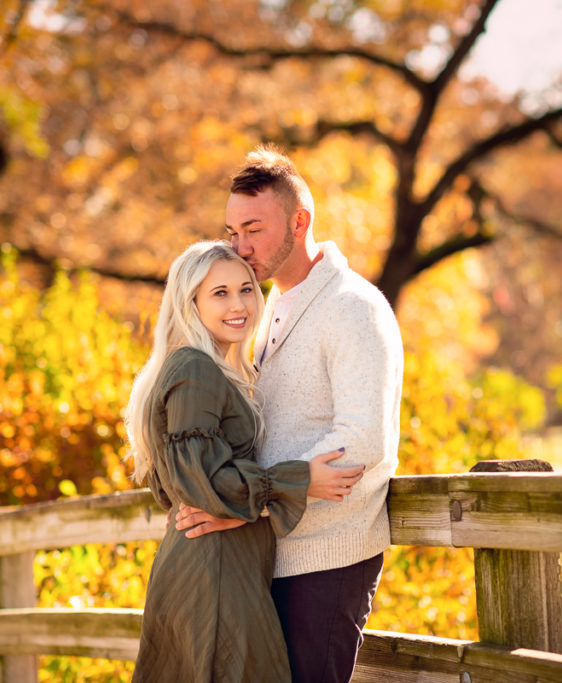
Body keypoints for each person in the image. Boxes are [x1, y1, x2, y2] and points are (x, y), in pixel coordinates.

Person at [175, 145, 405, 682]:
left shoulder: (353, 308)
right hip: (271, 550)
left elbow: (362, 440)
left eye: (253, 229)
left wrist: (248, 504)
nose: (240, 246)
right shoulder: (270, 305)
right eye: (232, 232)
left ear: (300, 221)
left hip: (328, 558)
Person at [123, 240, 365, 682]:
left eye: (246, 289)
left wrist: (240, 507)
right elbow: (202, 484)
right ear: (189, 302)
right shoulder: (195, 368)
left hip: (221, 566)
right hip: (213, 574)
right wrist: (298, 480)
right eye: (219, 293)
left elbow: (180, 483)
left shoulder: (218, 369)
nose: (239, 305)